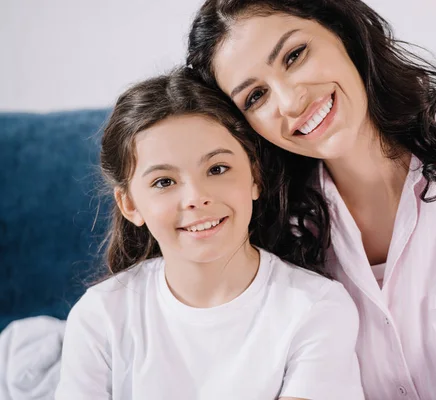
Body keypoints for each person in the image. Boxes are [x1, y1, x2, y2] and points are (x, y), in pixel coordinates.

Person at [186, 0, 436, 399]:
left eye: (295, 55)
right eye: (255, 96)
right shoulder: (271, 226)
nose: (290, 102)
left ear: (344, 33)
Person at [54, 68, 364, 400]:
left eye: (217, 169)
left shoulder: (316, 308)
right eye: (164, 182)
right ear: (130, 205)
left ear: (255, 177)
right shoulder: (100, 315)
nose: (196, 197)